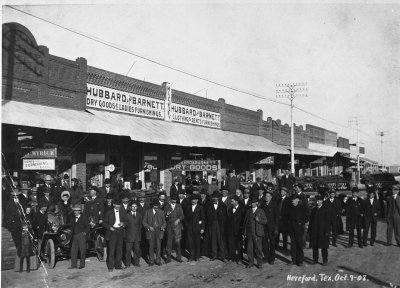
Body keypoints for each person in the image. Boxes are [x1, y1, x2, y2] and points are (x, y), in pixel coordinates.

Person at [244, 196, 267, 269]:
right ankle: (251, 262)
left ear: (257, 203)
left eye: (253, 202)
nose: (252, 204)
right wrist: (244, 232)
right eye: (251, 202)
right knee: (249, 249)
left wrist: (259, 220)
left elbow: (265, 221)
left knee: (258, 249)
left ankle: (259, 263)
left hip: (258, 233)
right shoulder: (248, 211)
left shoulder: (261, 211)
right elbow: (245, 222)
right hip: (250, 233)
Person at [142, 198, 166, 266]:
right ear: (152, 206)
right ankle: (151, 261)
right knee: (151, 247)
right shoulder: (147, 212)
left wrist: (163, 226)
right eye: (155, 206)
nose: (156, 207)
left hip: (159, 231)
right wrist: (149, 227)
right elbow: (143, 222)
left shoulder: (161, 212)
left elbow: (164, 222)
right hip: (151, 232)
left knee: (158, 246)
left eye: (157, 206)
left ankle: (158, 260)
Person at [103, 199, 126, 271]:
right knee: (112, 250)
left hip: (120, 231)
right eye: (116, 205)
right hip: (112, 232)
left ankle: (118, 265)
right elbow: (104, 223)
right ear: (113, 205)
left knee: (119, 250)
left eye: (119, 205)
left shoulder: (122, 212)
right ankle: (110, 267)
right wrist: (110, 227)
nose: (118, 206)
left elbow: (126, 221)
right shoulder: (108, 213)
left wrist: (123, 223)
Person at [206, 191, 227, 262]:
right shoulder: (208, 205)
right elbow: (207, 216)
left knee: (220, 240)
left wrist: (223, 226)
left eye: (216, 197)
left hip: (220, 224)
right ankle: (214, 255)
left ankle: (222, 256)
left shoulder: (223, 205)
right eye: (214, 197)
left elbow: (225, 217)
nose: (215, 199)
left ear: (219, 198)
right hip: (212, 224)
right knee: (213, 239)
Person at [288, 195, 309, 266]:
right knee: (293, 246)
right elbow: (287, 217)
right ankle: (293, 260)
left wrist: (301, 223)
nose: (292, 201)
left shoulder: (302, 208)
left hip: (299, 229)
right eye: (292, 200)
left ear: (297, 200)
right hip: (291, 229)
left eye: (293, 200)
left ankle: (300, 261)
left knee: (299, 245)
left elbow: (307, 217)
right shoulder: (290, 208)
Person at [309, 196, 330, 266]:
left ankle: (325, 260)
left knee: (324, 247)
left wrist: (327, 231)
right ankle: (315, 259)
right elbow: (311, 221)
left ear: (321, 201)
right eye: (316, 201)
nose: (317, 202)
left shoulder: (325, 209)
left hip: (323, 231)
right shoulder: (314, 209)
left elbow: (328, 222)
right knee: (314, 246)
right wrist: (310, 230)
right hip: (315, 231)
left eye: (318, 201)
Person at [164, 194, 184, 263]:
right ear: (170, 200)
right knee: (169, 242)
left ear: (176, 200)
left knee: (177, 242)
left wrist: (178, 220)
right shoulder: (167, 207)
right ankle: (168, 258)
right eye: (172, 199)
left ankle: (178, 257)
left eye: (175, 200)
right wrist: (167, 214)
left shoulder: (179, 206)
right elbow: (164, 216)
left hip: (177, 226)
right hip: (169, 226)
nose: (173, 201)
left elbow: (182, 215)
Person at [5, 188, 25, 257]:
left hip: (20, 224)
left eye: (17, 196)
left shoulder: (20, 203)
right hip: (14, 225)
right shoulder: (10, 204)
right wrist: (11, 226)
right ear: (13, 196)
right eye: (15, 196)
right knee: (16, 240)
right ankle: (19, 253)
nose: (16, 197)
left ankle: (21, 252)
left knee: (21, 239)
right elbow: (7, 216)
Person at [185, 194, 205, 262]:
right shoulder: (188, 207)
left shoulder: (200, 207)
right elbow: (186, 218)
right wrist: (187, 226)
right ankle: (191, 256)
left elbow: (203, 218)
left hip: (197, 228)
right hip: (190, 228)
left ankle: (197, 256)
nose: (193, 201)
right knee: (191, 242)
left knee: (197, 242)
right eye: (192, 200)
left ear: (197, 200)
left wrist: (202, 228)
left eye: (194, 200)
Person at [261, 191, 279, 265]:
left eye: (268, 196)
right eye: (266, 196)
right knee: (264, 242)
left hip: (272, 227)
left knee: (272, 243)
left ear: (271, 197)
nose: (266, 197)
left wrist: (276, 228)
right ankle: (266, 257)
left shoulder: (274, 205)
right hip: (264, 226)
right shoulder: (263, 205)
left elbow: (277, 217)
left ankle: (272, 258)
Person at [69, 204, 90, 269]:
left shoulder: (84, 217)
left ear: (79, 211)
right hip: (74, 236)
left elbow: (88, 227)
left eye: (76, 211)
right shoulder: (72, 219)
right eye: (74, 211)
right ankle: (73, 265)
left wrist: (84, 233)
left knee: (82, 251)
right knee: (73, 251)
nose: (74, 212)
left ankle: (82, 265)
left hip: (81, 235)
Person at [227, 195, 245, 263]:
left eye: (232, 201)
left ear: (237, 202)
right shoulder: (230, 209)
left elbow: (243, 221)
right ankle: (233, 257)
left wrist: (243, 231)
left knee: (239, 245)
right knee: (232, 244)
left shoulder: (242, 209)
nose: (231, 202)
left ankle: (240, 258)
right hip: (231, 231)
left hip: (239, 231)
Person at [124, 201, 142, 267]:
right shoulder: (127, 215)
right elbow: (125, 224)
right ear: (130, 207)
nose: (134, 208)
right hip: (129, 236)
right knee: (128, 251)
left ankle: (136, 262)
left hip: (137, 236)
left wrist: (138, 233)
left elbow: (140, 225)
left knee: (136, 250)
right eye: (133, 206)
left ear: (137, 207)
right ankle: (128, 264)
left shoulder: (139, 215)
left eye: (135, 206)